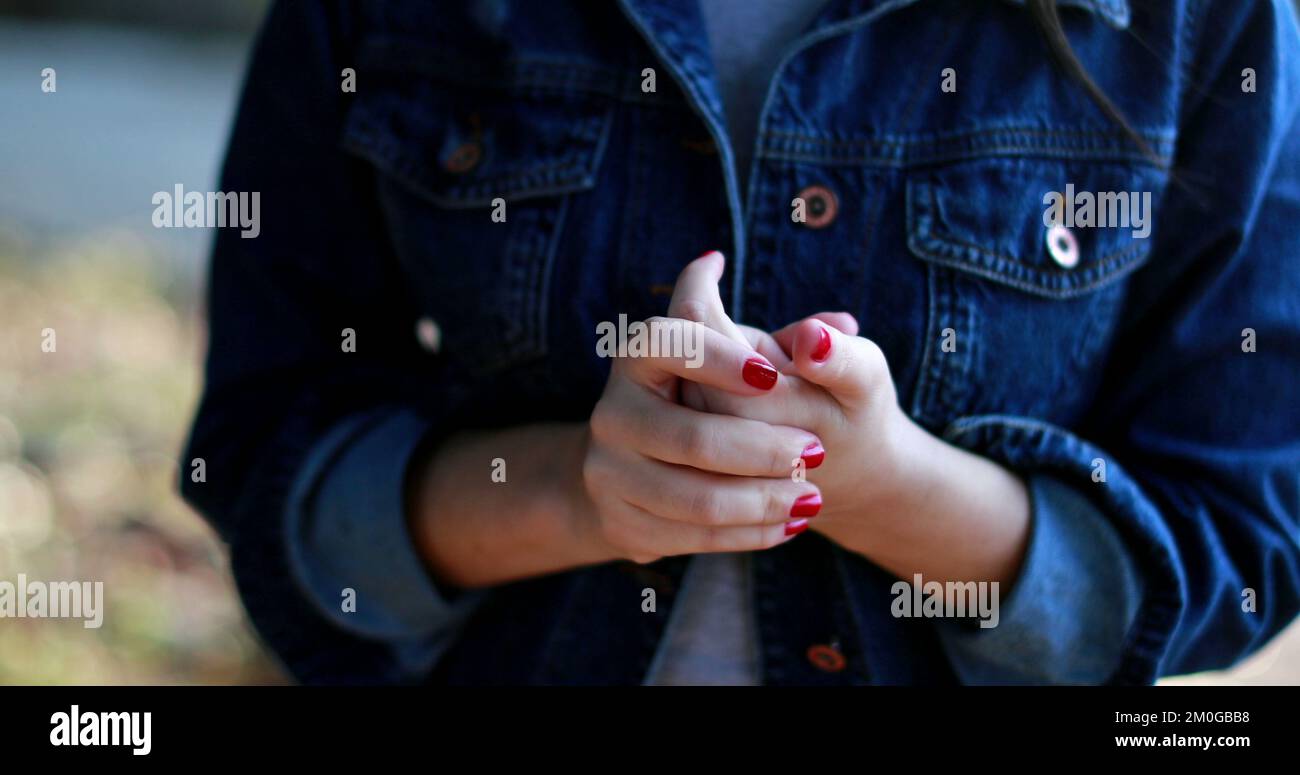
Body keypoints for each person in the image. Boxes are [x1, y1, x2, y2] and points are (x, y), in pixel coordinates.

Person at [181, 0, 1300, 685]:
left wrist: (888, 487)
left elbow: (1241, 543)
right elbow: (265, 442)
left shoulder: (1210, 19)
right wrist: (578, 490)